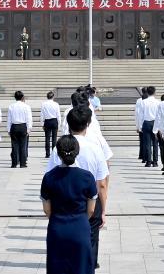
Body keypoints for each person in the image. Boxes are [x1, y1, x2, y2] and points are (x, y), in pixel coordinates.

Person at [47, 107, 109, 271]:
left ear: (68, 124)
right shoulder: (95, 148)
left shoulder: (58, 148)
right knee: (90, 242)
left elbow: (50, 177)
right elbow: (102, 183)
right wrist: (102, 210)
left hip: (62, 205)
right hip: (90, 202)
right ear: (87, 124)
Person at [41, 135, 98, 274]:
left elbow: (47, 210)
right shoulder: (87, 176)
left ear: (58, 153)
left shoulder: (49, 177)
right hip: (80, 227)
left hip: (57, 228)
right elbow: (90, 210)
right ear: (77, 151)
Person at [8, 92, 32, 168]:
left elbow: (9, 119)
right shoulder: (26, 106)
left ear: (15, 97)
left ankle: (14, 163)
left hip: (14, 126)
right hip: (23, 126)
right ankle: (23, 163)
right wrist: (29, 128)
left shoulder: (11, 106)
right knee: (23, 145)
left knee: (14, 146)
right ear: (22, 97)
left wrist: (8, 129)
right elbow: (29, 118)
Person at [41, 92, 61, 158]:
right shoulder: (56, 104)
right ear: (53, 97)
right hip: (54, 121)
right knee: (54, 138)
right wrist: (59, 123)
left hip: (47, 121)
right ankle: (54, 154)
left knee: (47, 138)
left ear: (47, 97)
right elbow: (58, 115)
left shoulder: (43, 104)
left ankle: (47, 154)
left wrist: (42, 123)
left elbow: (42, 115)